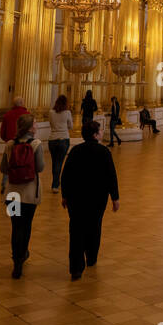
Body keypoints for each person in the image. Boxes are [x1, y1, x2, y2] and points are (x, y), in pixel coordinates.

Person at [59, 119, 119, 280]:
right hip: (97, 199)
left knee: (76, 231)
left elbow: (66, 175)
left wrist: (64, 195)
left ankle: (76, 268)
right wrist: (115, 198)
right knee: (94, 227)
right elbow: (111, 176)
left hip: (76, 198)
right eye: (99, 131)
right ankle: (91, 256)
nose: (101, 133)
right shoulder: (104, 152)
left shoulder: (76, 151)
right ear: (95, 134)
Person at [0, 114, 45, 278]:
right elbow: (40, 168)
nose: (37, 125)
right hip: (29, 193)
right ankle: (22, 256)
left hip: (12, 193)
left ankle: (16, 260)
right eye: (35, 123)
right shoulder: (36, 144)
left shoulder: (9, 145)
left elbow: (3, 169)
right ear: (30, 128)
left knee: (15, 227)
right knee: (26, 226)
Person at [47, 95, 73, 193]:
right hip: (63, 139)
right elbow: (70, 126)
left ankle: (56, 182)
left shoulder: (51, 112)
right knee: (59, 163)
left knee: (54, 162)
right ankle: (55, 185)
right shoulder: (67, 113)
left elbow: (51, 124)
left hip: (52, 139)